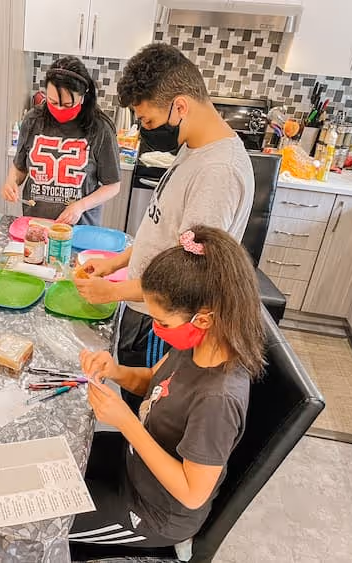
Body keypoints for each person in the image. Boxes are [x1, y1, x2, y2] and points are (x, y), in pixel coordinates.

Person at [75, 43, 255, 410]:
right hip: (142, 306)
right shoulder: (194, 146)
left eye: (148, 122)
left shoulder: (218, 173)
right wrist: (118, 262)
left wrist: (112, 293)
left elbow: (188, 280)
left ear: (181, 106)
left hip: (162, 321)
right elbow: (167, 232)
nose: (145, 131)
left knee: (145, 409)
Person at [69, 226, 265, 548]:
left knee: (41, 520)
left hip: (153, 512)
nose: (158, 332)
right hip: (132, 466)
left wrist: (126, 422)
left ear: (203, 319)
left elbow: (192, 493)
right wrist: (115, 370)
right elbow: (153, 380)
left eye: (163, 323)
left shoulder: (218, 398)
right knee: (57, 458)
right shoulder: (199, 343)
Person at [0, 56, 121, 225]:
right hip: (36, 225)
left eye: (66, 104)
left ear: (83, 97)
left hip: (79, 230)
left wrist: (80, 206)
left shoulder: (100, 128)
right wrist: (11, 182)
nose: (58, 109)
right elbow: (20, 167)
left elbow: (113, 186)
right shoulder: (33, 120)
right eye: (52, 102)